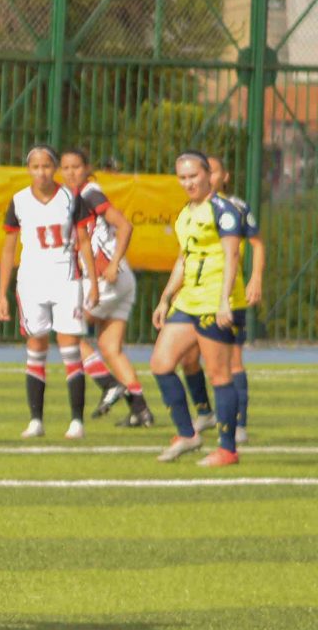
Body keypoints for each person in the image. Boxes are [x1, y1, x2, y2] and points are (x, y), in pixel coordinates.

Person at [148, 149, 247, 466]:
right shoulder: (186, 213)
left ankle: (227, 450)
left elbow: (232, 256)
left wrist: (224, 301)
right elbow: (184, 258)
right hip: (188, 300)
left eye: (194, 176)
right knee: (161, 364)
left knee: (220, 375)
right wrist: (166, 297)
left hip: (214, 301)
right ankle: (187, 434)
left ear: (208, 175)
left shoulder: (224, 210)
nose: (188, 182)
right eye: (183, 177)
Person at [0, 144, 92, 439]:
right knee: (36, 347)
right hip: (31, 281)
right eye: (35, 167)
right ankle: (36, 420)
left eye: (47, 166)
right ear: (29, 170)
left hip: (66, 278)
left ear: (55, 168)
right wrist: (2, 293)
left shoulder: (71, 198)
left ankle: (76, 421)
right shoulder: (19, 201)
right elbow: (9, 249)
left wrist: (93, 283)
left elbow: (84, 240)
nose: (41, 172)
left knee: (69, 346)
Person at [57, 148, 151, 427]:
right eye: (66, 168)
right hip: (121, 281)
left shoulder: (90, 194)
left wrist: (114, 263)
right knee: (110, 348)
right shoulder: (76, 197)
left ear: (88, 168)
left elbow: (124, 226)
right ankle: (140, 410)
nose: (71, 172)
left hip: (106, 278)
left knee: (67, 331)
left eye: (76, 167)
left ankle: (108, 384)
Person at [206, 153, 264, 446]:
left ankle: (239, 424)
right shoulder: (192, 208)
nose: (209, 177)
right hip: (198, 295)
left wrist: (256, 278)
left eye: (214, 171)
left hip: (229, 294)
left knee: (233, 361)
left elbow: (257, 244)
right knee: (188, 358)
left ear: (225, 176)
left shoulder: (237, 207)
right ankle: (204, 413)